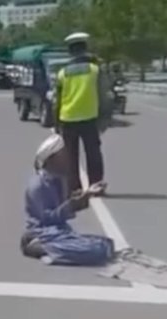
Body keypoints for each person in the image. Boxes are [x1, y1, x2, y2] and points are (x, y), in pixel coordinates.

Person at [20, 133, 114, 266]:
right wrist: (73, 204)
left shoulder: (58, 180)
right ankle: (42, 247)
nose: (67, 160)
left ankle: (55, 251)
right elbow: (47, 219)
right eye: (63, 156)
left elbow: (64, 207)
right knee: (97, 250)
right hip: (43, 233)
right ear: (51, 159)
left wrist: (86, 194)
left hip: (60, 232)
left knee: (106, 244)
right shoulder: (38, 185)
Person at [55, 32, 109, 196]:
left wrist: (56, 121)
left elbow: (57, 99)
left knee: (71, 156)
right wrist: (105, 117)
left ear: (70, 52)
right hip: (89, 117)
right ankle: (96, 184)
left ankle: (74, 188)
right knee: (93, 152)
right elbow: (103, 94)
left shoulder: (62, 73)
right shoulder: (94, 70)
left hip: (68, 118)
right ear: (85, 49)